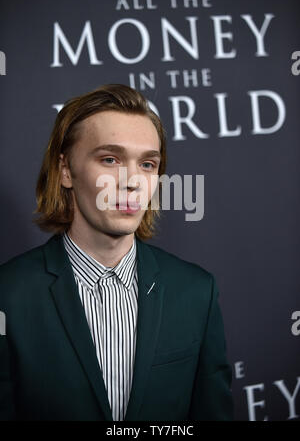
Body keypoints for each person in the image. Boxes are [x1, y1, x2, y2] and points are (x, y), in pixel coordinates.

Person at [0, 84, 234, 421]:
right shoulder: (8, 296)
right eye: (110, 159)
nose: (132, 181)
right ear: (66, 170)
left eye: (148, 164)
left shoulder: (196, 291)